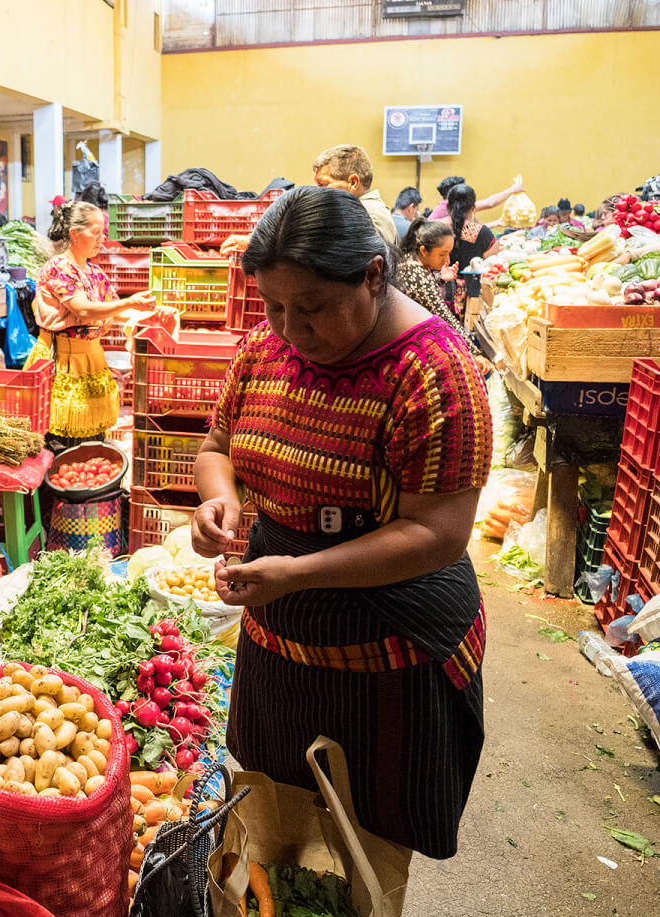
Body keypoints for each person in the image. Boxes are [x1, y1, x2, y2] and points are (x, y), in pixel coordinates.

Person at [191, 185, 490, 861]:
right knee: (274, 820)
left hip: (392, 649)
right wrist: (221, 501)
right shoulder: (266, 350)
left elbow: (436, 534)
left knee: (364, 849)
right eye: (274, 307)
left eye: (314, 308)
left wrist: (299, 572)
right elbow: (217, 448)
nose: (292, 329)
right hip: (280, 633)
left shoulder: (435, 374)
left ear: (374, 275)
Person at [24, 200, 156, 451]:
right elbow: (83, 309)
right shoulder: (59, 268)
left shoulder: (94, 272)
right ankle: (59, 488)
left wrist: (148, 312)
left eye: (103, 233)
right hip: (61, 360)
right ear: (74, 233)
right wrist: (131, 303)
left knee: (91, 436)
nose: (101, 239)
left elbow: (114, 309)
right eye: (95, 232)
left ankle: (85, 486)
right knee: (62, 437)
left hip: (91, 359)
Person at [311, 144, 397, 244]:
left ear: (353, 183)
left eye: (323, 185)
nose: (317, 191)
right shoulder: (360, 212)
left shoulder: (367, 216)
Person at [393, 218, 461, 329]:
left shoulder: (408, 260)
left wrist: (440, 278)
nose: (447, 261)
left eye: (449, 254)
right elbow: (447, 321)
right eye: (442, 254)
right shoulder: (418, 277)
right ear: (423, 251)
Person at [445, 184, 500, 269]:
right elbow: (493, 260)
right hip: (470, 281)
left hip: (439, 280)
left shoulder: (437, 226)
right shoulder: (477, 231)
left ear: (447, 206)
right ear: (473, 208)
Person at [427, 176, 524, 221]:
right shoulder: (450, 206)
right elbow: (490, 203)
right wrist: (513, 190)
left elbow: (489, 201)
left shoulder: (445, 205)